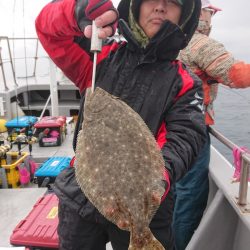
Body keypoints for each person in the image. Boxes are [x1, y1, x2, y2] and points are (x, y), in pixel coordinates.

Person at [36, 0, 206, 249]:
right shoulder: (100, 55)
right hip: (82, 189)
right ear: (135, 6)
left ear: (186, 13)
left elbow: (184, 139)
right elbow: (48, 29)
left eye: (172, 1)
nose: (160, 7)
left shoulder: (185, 84)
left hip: (147, 205)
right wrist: (77, 10)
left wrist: (153, 183)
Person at [173, 0, 250, 249]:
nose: (211, 19)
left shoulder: (169, 41)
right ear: (199, 15)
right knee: (190, 195)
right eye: (210, 13)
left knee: (173, 190)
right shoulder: (200, 43)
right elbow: (236, 75)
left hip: (164, 129)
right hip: (190, 130)